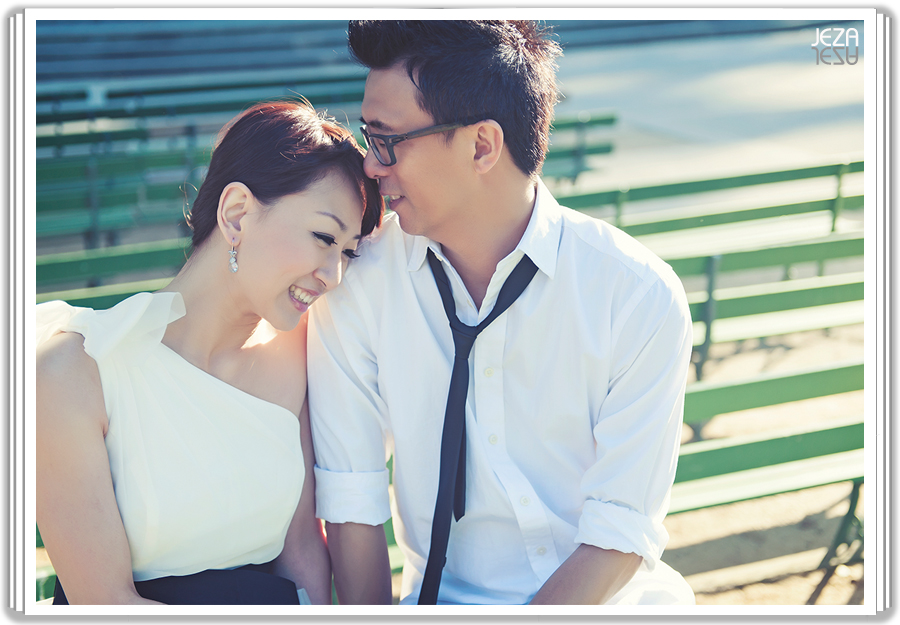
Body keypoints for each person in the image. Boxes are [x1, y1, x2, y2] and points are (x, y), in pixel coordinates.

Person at [307, 20, 695, 606]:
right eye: (367, 137)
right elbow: (352, 500)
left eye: (386, 140)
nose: (369, 166)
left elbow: (620, 531)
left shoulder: (636, 295)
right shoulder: (358, 282)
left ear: (482, 146)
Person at [35, 100, 383, 605]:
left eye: (347, 253)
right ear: (237, 212)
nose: (334, 276)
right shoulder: (72, 374)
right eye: (323, 237)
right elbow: (104, 604)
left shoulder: (299, 356)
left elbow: (302, 552)